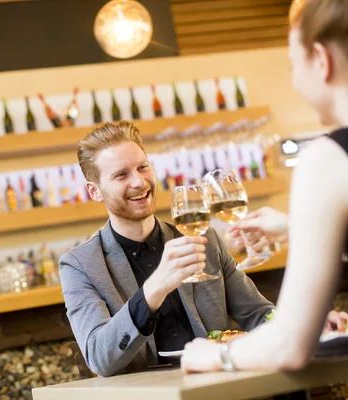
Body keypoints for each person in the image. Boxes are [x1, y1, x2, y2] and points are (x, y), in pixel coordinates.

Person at [181, 0, 348, 373]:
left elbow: (289, 345)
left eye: (293, 64)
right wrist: (295, 227)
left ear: (321, 59)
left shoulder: (328, 158)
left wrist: (215, 355)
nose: (293, 79)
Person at [59, 121, 275, 378]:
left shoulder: (205, 240)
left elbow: (256, 313)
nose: (139, 182)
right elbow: (100, 358)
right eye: (121, 175)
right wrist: (154, 289)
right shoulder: (80, 265)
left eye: (142, 167)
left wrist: (306, 324)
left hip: (216, 388)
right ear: (95, 192)